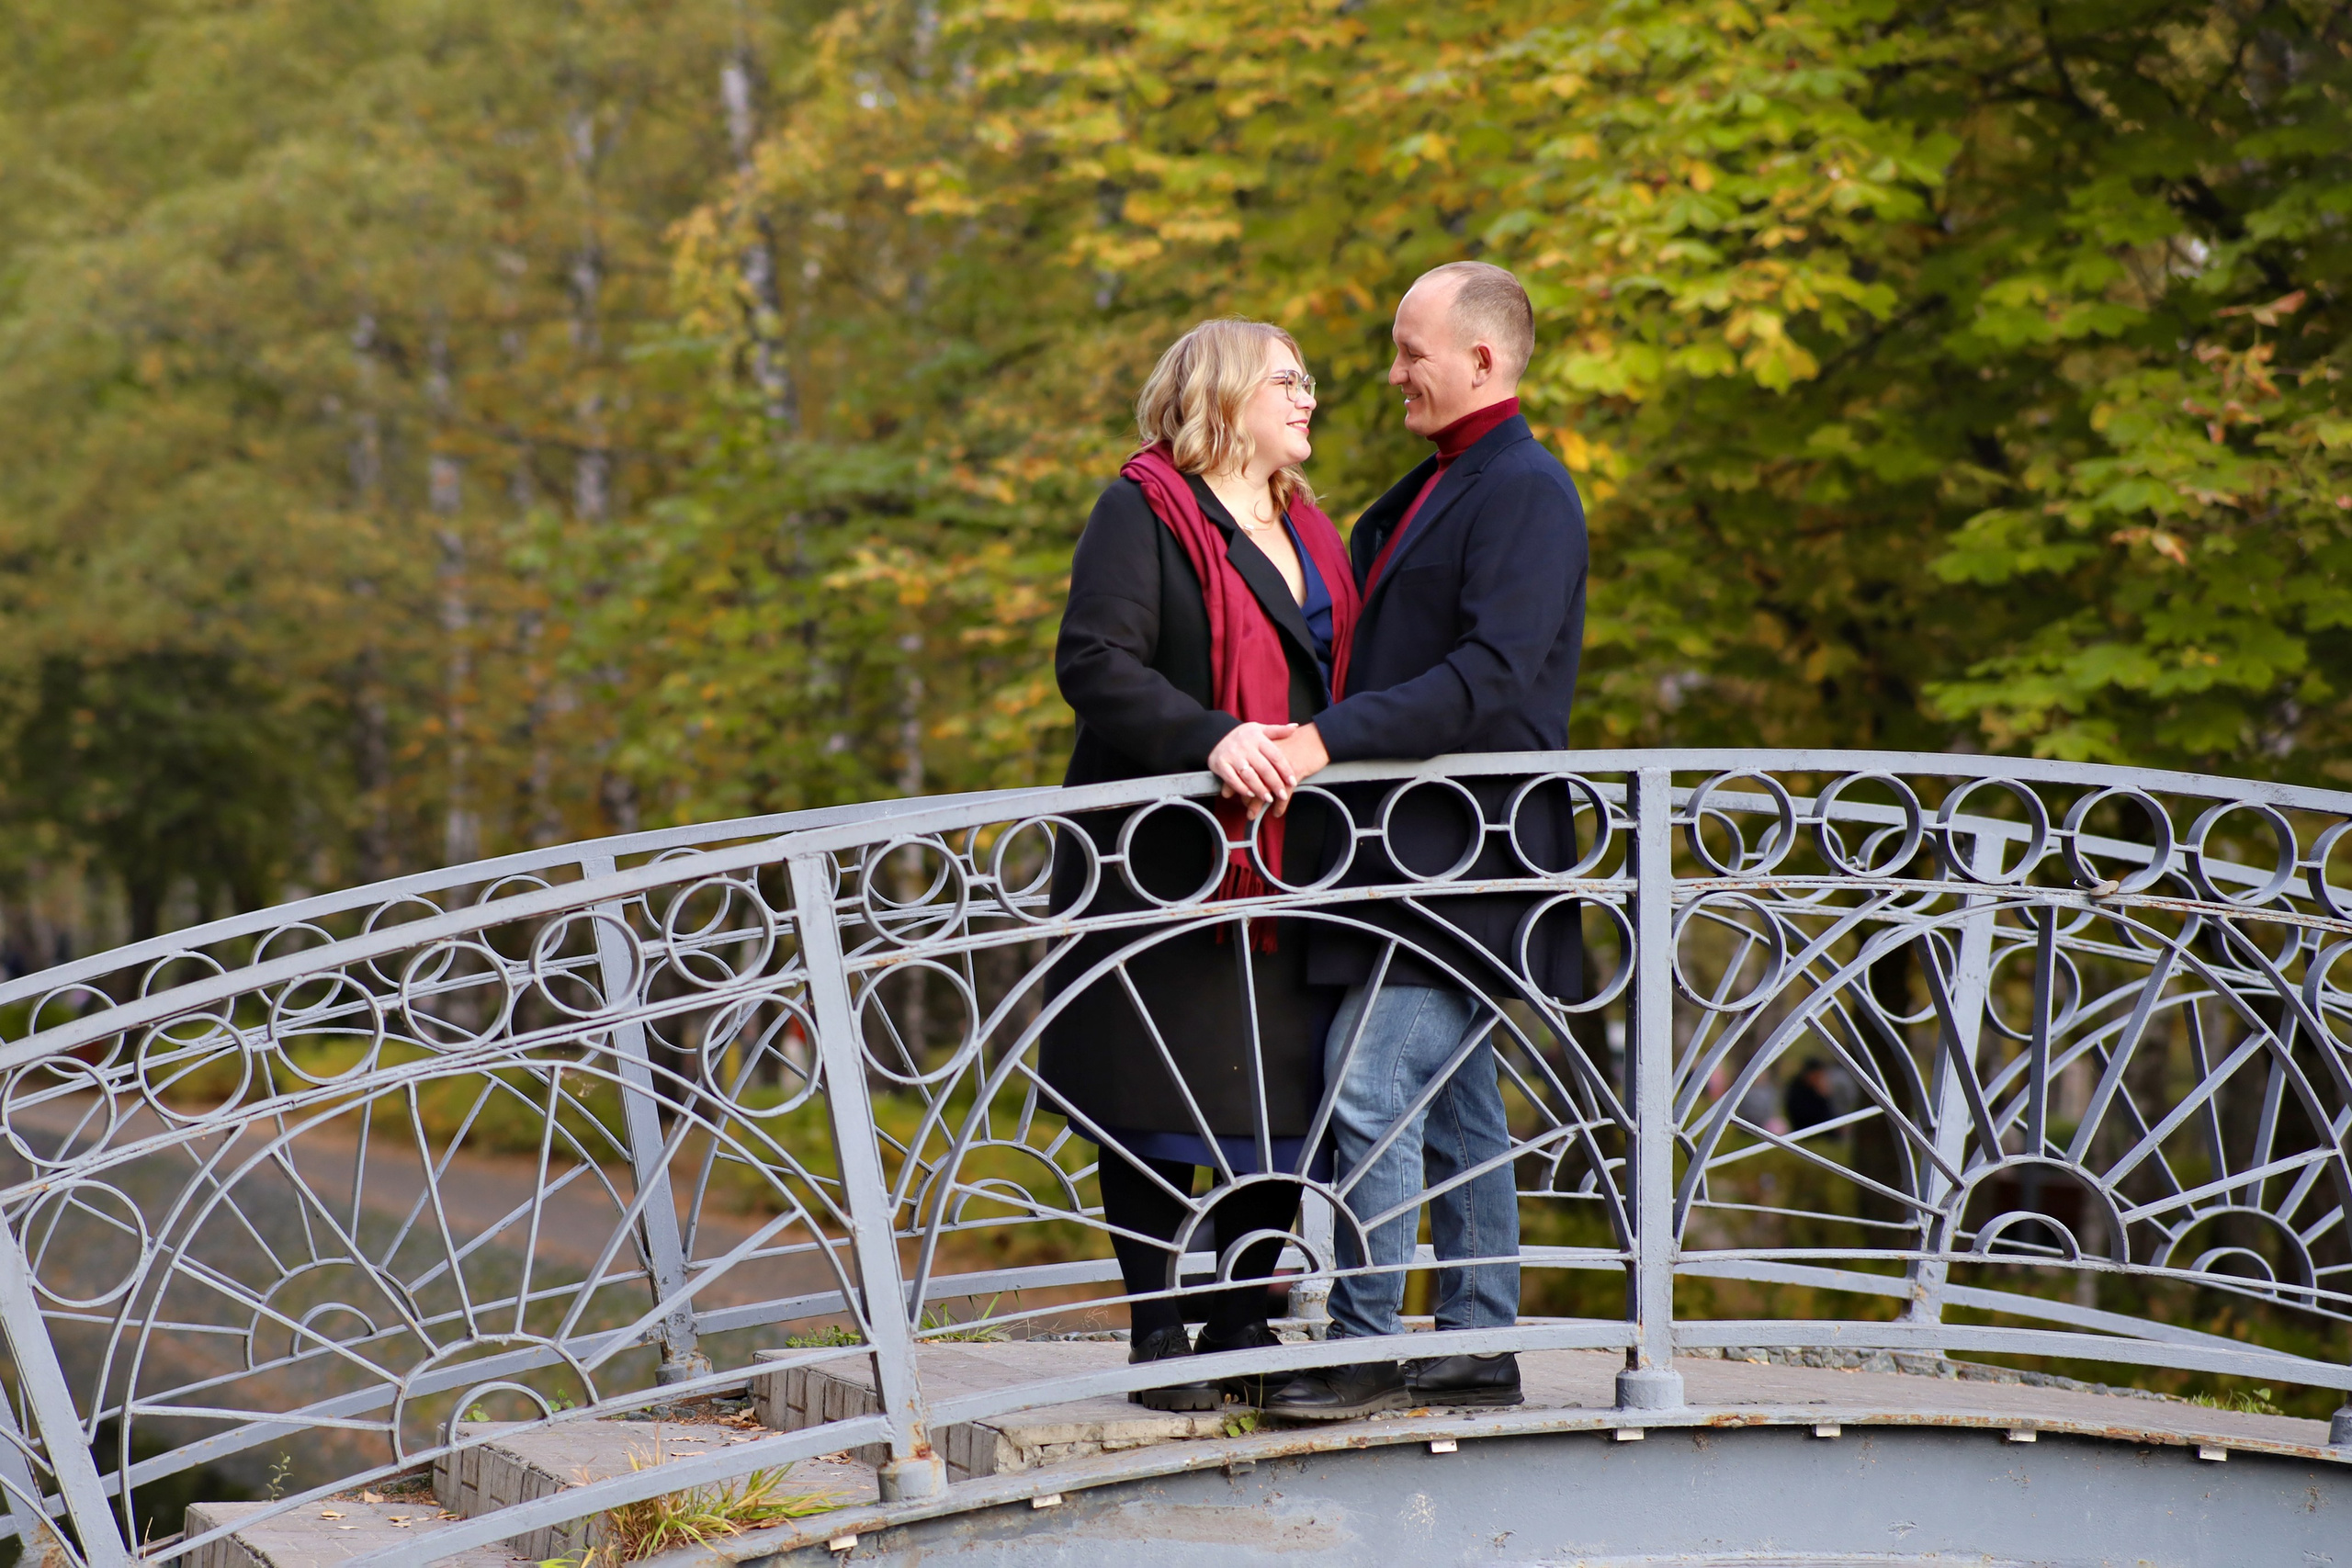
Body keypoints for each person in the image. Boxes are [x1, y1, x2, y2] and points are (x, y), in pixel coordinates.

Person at [1258, 262, 1588, 1420]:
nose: (1389, 372)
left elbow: (1494, 676)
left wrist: (1321, 741)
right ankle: (1477, 1338)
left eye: (1410, 351)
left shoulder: (1527, 492)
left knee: (1370, 1076)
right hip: (1402, 854)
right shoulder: (1414, 496)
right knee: (1451, 1099)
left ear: (1482, 360)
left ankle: (1361, 1345)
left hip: (1478, 852)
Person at [1040, 318, 1360, 1410]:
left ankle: (1238, 1317)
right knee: (1155, 1096)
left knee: (1268, 1099)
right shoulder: (1142, 509)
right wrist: (1207, 736)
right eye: (1288, 380)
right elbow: (1094, 661)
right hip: (1166, 861)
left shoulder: (1312, 528)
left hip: (1296, 858)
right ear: (1224, 396)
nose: (1309, 397)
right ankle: (1157, 1333)